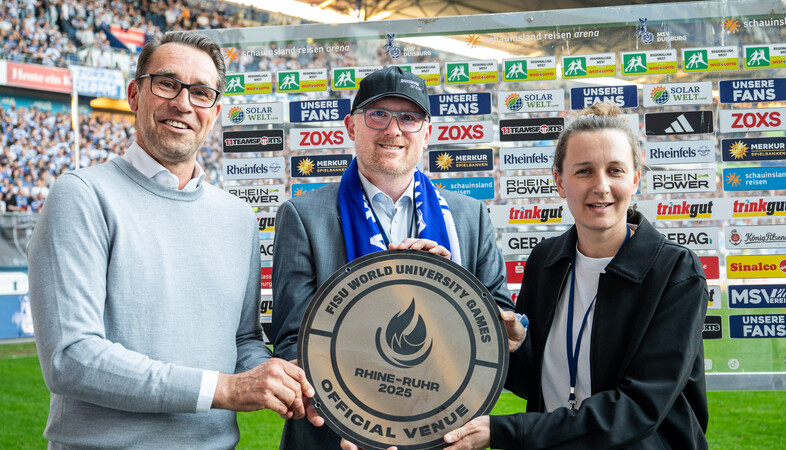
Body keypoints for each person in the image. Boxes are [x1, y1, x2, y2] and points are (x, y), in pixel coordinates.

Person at [27, 31, 320, 449]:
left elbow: (243, 340)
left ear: (214, 112)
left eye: (201, 93)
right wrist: (225, 390)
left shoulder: (237, 218)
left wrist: (288, 380)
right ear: (134, 94)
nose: (183, 103)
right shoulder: (82, 195)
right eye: (167, 84)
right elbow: (70, 357)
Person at [271, 66, 516, 450]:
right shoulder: (303, 216)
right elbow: (291, 341)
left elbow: (501, 322)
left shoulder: (469, 215)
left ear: (427, 132)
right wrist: (358, 416)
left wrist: (451, 288)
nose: (393, 129)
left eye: (409, 117)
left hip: (437, 434)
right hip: (337, 438)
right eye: (378, 114)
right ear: (352, 127)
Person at [443, 102, 709, 449]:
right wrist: (518, 346)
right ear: (560, 181)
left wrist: (508, 431)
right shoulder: (545, 260)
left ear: (635, 179)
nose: (601, 186)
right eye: (584, 171)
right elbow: (533, 384)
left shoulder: (675, 270)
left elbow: (640, 408)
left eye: (615, 170)